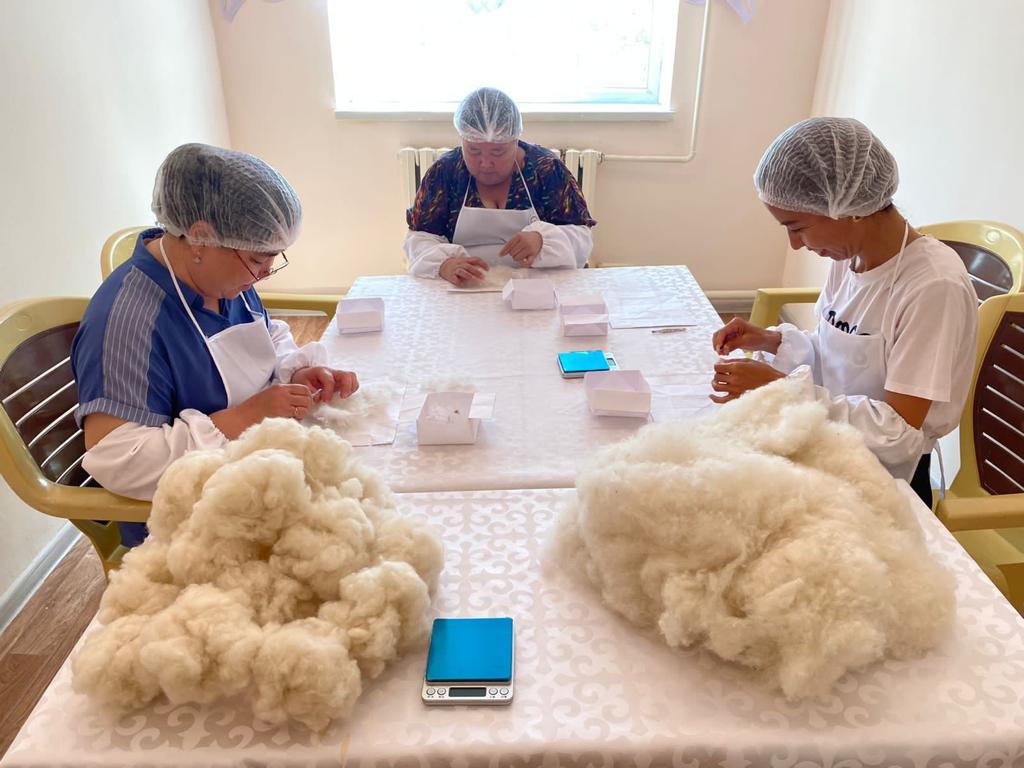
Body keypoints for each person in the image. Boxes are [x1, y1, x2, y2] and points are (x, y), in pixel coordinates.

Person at [72, 143, 358, 544]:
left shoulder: (217, 277)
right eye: (258, 259)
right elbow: (119, 459)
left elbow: (265, 333)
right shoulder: (128, 321)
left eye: (273, 257)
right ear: (200, 237)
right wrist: (242, 419)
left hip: (253, 471)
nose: (265, 272)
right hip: (187, 524)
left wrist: (295, 371)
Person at [710, 117, 977, 506]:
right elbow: (838, 355)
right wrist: (771, 340)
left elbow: (899, 431)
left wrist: (781, 390)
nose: (795, 244)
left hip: (888, 481)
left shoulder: (933, 287)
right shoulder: (851, 257)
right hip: (831, 449)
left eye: (797, 227)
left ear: (850, 208)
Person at [404, 87, 597, 286]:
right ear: (462, 139)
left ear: (515, 140)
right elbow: (419, 240)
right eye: (474, 151)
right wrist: (444, 264)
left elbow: (582, 240)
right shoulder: (444, 173)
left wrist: (541, 241)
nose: (486, 163)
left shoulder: (546, 170)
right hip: (463, 290)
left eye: (498, 152)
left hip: (534, 290)